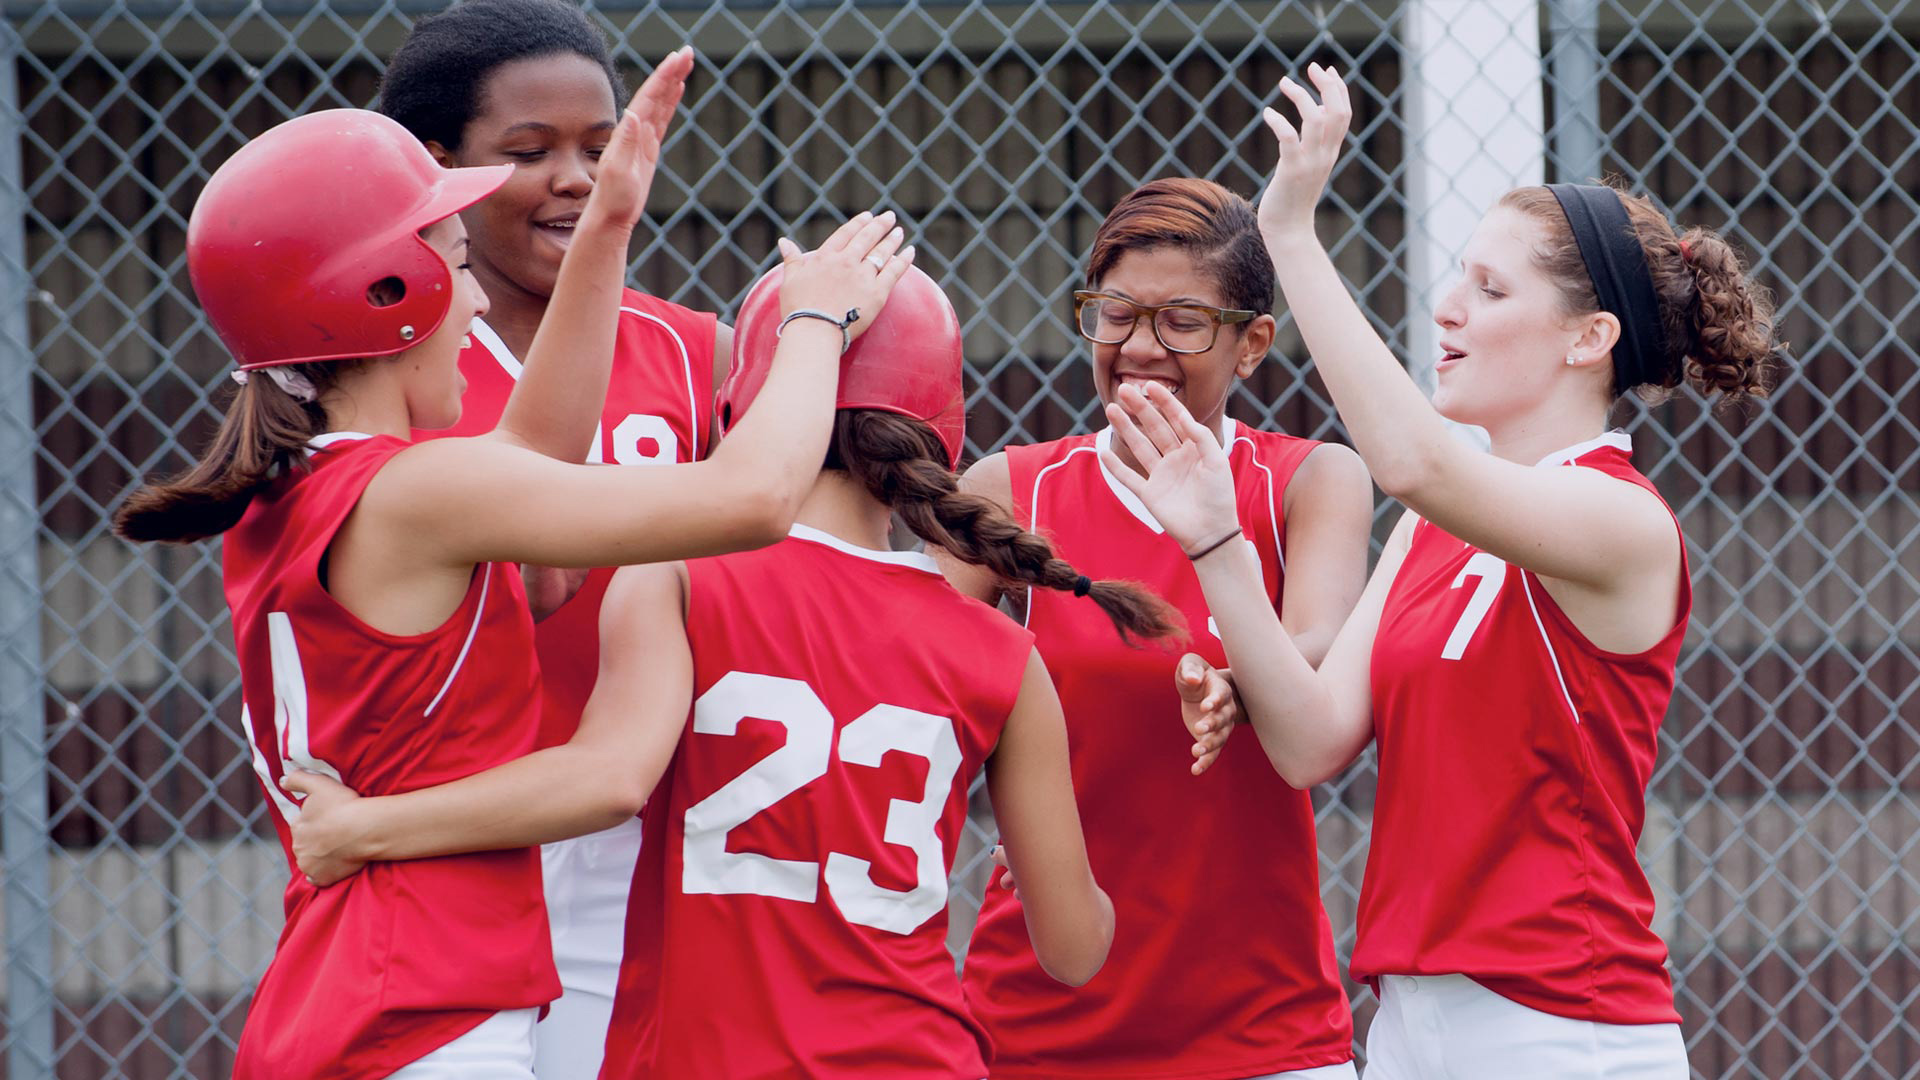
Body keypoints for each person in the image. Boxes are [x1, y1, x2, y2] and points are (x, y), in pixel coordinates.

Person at [113, 56, 916, 1076]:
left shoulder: (316, 483)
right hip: (419, 1013)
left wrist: (610, 227)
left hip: (370, 992)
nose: (480, 309)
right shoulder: (414, 493)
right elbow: (752, 499)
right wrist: (813, 320)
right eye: (451, 264)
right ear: (382, 291)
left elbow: (536, 454)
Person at [277, 264, 1168, 1078]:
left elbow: (607, 777)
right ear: (938, 431)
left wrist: (366, 828)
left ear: (748, 403)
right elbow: (1076, 951)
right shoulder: (998, 650)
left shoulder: (679, 574)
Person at [1101, 65, 1777, 1078]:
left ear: (1590, 340)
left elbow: (1412, 462)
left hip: (1561, 1026)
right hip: (1412, 1025)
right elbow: (1310, 742)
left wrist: (1291, 232)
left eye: (1490, 289)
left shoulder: (1620, 520)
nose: (1449, 308)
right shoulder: (1436, 532)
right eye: (1458, 275)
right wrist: (1217, 547)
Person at [951, 177, 1373, 1079]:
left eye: (1183, 322)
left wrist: (1241, 684)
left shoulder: (1307, 480)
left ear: (1252, 342)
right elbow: (906, 676)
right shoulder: (1014, 491)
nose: (1140, 348)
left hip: (1263, 1029)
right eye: (1115, 314)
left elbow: (1317, 648)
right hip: (1035, 1023)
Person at [377, 6, 734, 1070]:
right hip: (470, 833)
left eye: (599, 144)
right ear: (438, 169)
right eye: (528, 153)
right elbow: (526, 578)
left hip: (665, 838)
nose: (577, 178)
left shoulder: (694, 353)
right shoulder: (396, 370)